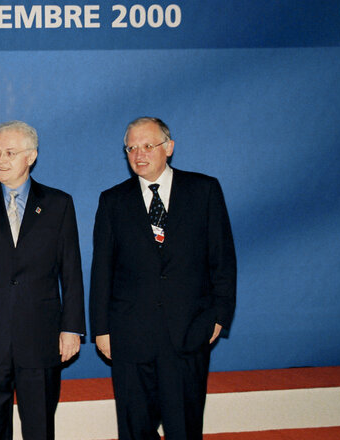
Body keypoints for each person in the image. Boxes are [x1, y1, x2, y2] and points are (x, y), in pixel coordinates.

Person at [90, 117, 237, 440]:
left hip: (188, 332)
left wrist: (218, 316)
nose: (139, 154)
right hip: (129, 337)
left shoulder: (204, 190)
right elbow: (102, 271)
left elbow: (223, 259)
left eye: (147, 145)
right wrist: (101, 329)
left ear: (168, 148)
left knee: (184, 428)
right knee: (135, 429)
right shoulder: (112, 201)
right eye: (131, 148)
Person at [0, 120, 86, 440]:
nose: (1, 159)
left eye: (10, 152)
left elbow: (71, 271)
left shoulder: (58, 204)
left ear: (31, 157)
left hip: (40, 338)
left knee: (39, 428)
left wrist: (71, 328)